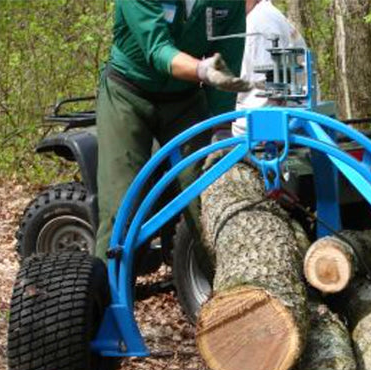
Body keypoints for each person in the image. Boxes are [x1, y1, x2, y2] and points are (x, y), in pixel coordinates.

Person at [95, 0, 252, 262]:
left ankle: (226, 289)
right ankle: (109, 296)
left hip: (186, 100)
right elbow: (157, 50)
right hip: (128, 93)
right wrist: (202, 70)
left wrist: (222, 127)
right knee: (121, 207)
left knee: (208, 197)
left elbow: (229, 54)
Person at [232, 0, 307, 138]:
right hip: (275, 122)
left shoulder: (260, 22)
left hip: (259, 132)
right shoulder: (261, 16)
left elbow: (267, 99)